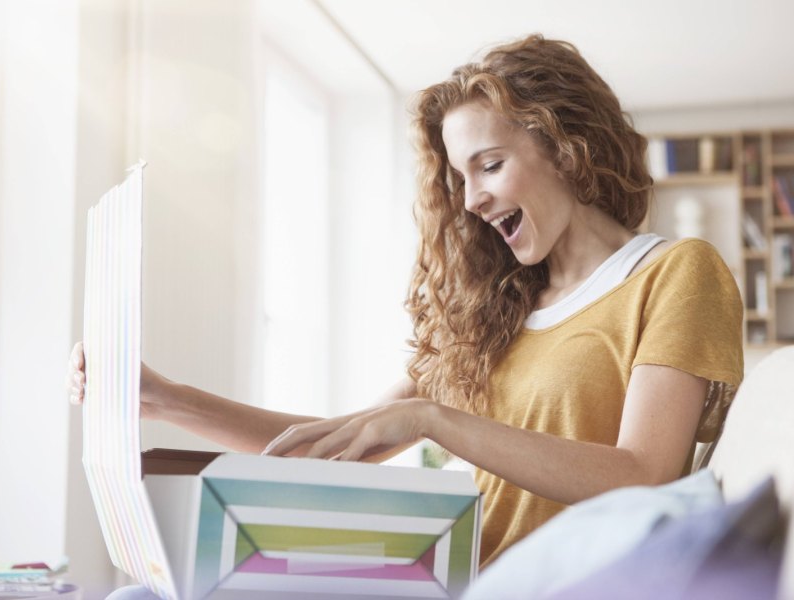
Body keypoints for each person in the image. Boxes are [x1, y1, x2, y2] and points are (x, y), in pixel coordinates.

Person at [67, 33, 743, 597]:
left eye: (491, 165)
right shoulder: (499, 312)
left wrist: (432, 419)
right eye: (461, 178)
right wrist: (160, 397)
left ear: (564, 146)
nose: (473, 200)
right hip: (442, 578)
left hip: (543, 585)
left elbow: (642, 474)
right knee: (144, 592)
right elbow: (336, 447)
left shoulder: (673, 274)